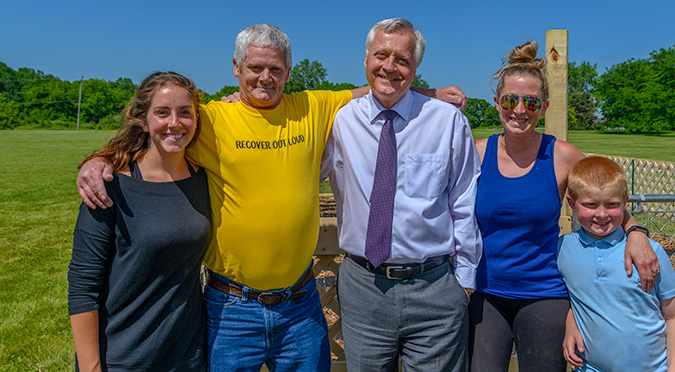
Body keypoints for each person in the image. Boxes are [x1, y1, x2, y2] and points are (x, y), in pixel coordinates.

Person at [76, 23, 467, 372]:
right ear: (236, 68)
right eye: (255, 68)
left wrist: (426, 93)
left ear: (289, 72)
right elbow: (159, 129)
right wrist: (99, 159)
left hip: (301, 304)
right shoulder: (209, 119)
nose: (265, 78)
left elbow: (379, 87)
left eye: (275, 70)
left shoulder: (312, 108)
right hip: (230, 307)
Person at [467, 41, 660, 372]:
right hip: (486, 290)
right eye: (510, 100)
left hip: (544, 291)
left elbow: (604, 197)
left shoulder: (563, 155)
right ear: (497, 103)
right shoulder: (476, 153)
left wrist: (636, 232)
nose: (519, 110)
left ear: (543, 106)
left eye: (530, 101)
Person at [321, 18, 482, 372]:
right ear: (366, 60)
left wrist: (464, 283)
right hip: (363, 287)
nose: (390, 67)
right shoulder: (339, 122)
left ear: (416, 67)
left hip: (435, 287)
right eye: (381, 55)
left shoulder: (447, 122)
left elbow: (464, 201)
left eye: (403, 60)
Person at [68, 72, 210, 372]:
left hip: (188, 357)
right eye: (162, 112)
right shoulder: (109, 186)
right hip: (123, 358)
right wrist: (90, 367)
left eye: (185, 112)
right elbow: (83, 286)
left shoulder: (205, 179)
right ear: (143, 121)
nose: (175, 123)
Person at [559, 156, 675, 372]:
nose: (601, 214)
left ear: (625, 203)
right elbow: (572, 297)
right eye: (591, 205)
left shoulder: (649, 252)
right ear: (572, 204)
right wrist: (571, 321)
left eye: (612, 205)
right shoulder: (562, 250)